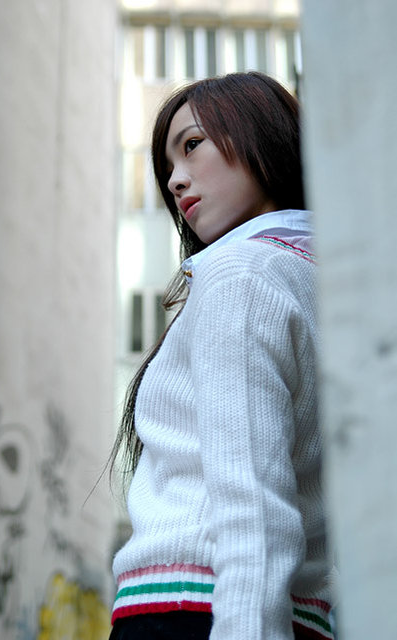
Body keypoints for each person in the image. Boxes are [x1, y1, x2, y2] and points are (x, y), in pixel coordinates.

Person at [109, 71, 336, 640]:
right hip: (294, 613)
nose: (175, 180)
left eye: (192, 145)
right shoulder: (324, 283)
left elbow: (252, 502)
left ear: (263, 135)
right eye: (167, 167)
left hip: (198, 610)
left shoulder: (240, 276)